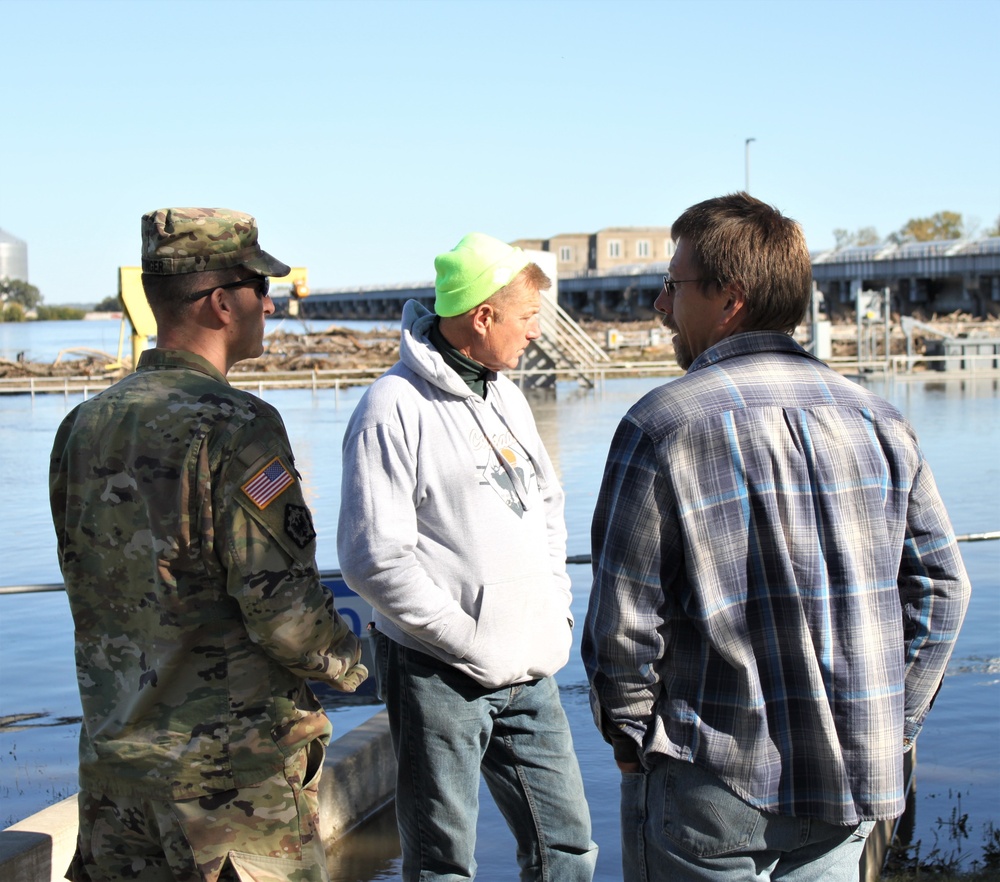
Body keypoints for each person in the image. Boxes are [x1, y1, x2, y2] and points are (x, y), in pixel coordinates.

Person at [582, 192, 971, 882]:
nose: (660, 307)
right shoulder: (881, 422)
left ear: (730, 298)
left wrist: (632, 739)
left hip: (709, 781)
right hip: (849, 784)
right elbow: (943, 589)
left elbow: (624, 623)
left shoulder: (661, 425)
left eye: (674, 286)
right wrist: (894, 722)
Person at [49, 207, 367, 882]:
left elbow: (88, 583)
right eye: (261, 288)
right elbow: (282, 612)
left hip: (117, 777)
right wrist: (350, 661)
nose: (271, 304)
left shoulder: (83, 425)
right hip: (230, 793)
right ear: (223, 302)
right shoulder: (239, 427)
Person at [337, 232, 598, 882]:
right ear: (482, 317)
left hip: (530, 669)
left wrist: (555, 617)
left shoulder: (507, 395)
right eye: (527, 317)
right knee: (443, 862)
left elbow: (547, 506)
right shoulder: (391, 409)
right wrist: (466, 639)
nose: (535, 333)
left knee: (568, 848)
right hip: (438, 673)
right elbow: (371, 558)